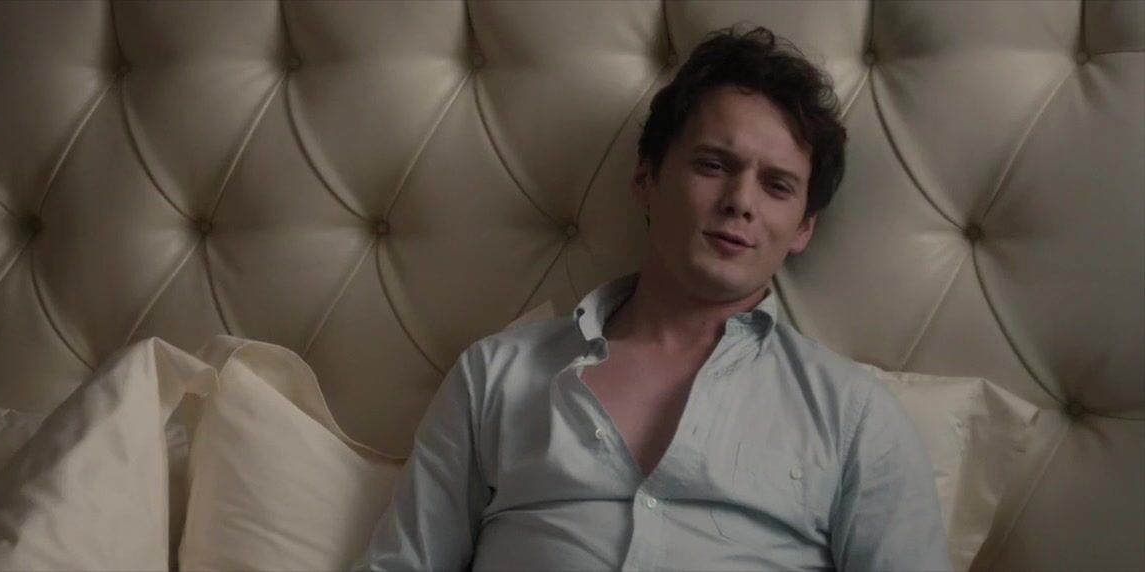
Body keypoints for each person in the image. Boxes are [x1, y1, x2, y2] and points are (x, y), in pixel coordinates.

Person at [357, 26, 951, 572]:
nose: (740, 201)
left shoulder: (854, 417)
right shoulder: (494, 376)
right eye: (713, 165)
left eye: (777, 186)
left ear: (803, 228)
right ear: (646, 178)